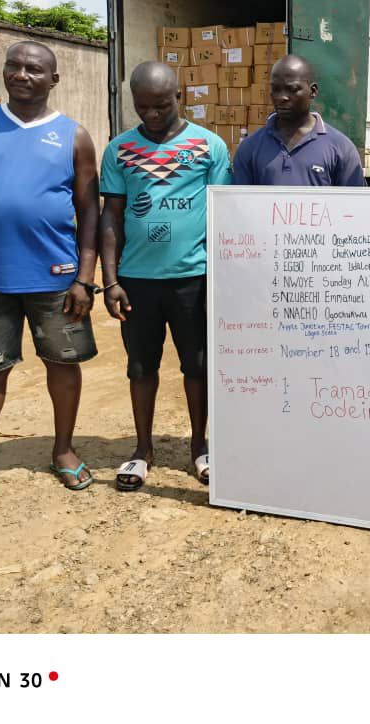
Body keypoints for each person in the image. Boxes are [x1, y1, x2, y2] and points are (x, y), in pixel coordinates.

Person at [0, 41, 100, 523]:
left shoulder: (74, 136)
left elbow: (89, 210)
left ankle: (63, 450)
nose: (22, 74)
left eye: (34, 69)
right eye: (14, 66)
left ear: (53, 80)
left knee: (63, 365)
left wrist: (85, 277)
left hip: (57, 279)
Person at [99, 61, 232, 491]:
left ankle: (200, 447)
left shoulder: (209, 147)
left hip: (194, 278)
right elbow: (111, 215)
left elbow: (223, 213)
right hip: (136, 281)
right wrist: (110, 280)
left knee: (197, 365)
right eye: (142, 106)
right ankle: (143, 450)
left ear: (179, 96)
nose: (152, 114)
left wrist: (221, 279)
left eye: (161, 105)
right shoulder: (119, 150)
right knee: (141, 368)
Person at [233, 54, 365, 186]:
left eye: (292, 89)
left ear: (313, 91)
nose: (282, 97)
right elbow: (240, 198)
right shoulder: (250, 148)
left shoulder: (341, 148)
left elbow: (353, 198)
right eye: (276, 89)